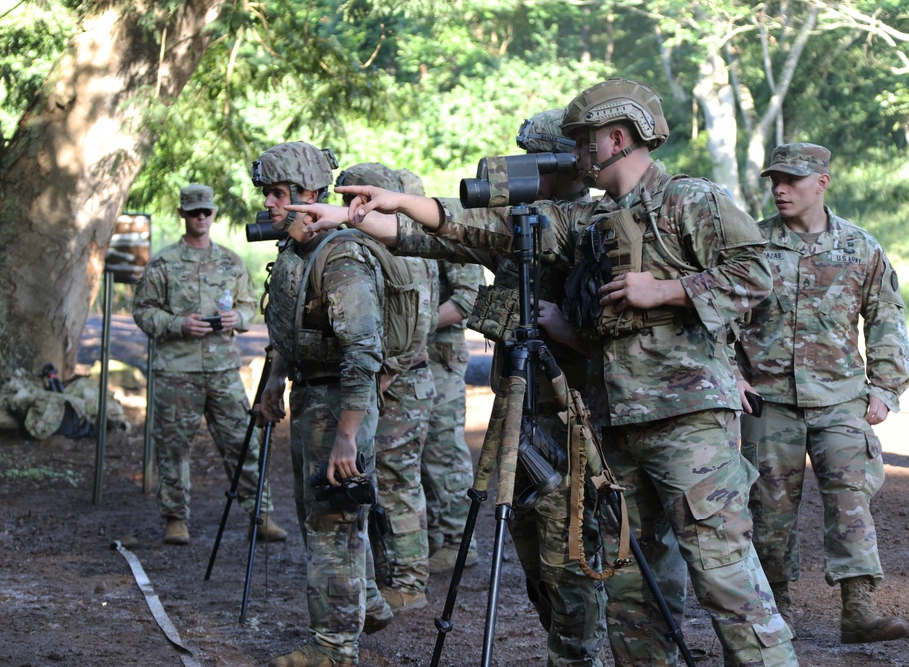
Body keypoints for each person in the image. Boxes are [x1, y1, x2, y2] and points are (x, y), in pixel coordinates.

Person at [292, 78, 798, 666]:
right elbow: (485, 231)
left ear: (617, 138)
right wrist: (396, 207)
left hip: (687, 422)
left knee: (724, 577)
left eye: (582, 144)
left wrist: (667, 288)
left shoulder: (691, 200)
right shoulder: (592, 222)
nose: (576, 158)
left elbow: (762, 271)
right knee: (631, 588)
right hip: (612, 425)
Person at [736, 143, 909, 644]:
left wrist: (885, 387)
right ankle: (776, 612)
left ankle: (859, 609)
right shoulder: (753, 245)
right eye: (774, 180)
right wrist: (733, 374)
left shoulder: (861, 247)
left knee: (852, 500)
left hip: (840, 399)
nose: (780, 189)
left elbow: (886, 319)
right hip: (768, 401)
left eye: (791, 179)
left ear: (822, 182)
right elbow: (720, 315)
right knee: (767, 509)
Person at [253, 143, 389, 667]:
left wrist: (347, 435)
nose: (269, 202)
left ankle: (334, 647)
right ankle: (367, 603)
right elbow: (288, 329)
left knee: (331, 522)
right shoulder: (295, 251)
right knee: (326, 513)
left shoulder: (340, 256)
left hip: (339, 401)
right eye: (266, 192)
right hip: (310, 394)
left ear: (310, 195)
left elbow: (363, 350)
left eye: (279, 193)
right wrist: (274, 382)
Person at [132, 183, 286, 546]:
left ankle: (260, 515)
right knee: (172, 448)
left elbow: (251, 305)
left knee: (243, 444)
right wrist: (177, 324)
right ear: (183, 214)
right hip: (176, 370)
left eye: (207, 212)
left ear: (213, 214)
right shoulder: (163, 263)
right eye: (194, 212)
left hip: (222, 370)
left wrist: (239, 318)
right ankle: (175, 520)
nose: (201, 218)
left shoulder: (230, 261)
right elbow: (143, 310)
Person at [333, 162, 436, 613]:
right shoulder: (367, 247)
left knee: (398, 483)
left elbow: (420, 323)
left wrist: (388, 370)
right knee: (380, 484)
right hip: (387, 382)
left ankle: (411, 582)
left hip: (403, 385)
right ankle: (392, 573)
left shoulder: (406, 252)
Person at [392, 168, 486, 575]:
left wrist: (417, 322)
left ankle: (457, 541)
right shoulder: (398, 240)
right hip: (409, 360)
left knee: (443, 453)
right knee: (413, 451)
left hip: (440, 360)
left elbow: (468, 300)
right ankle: (432, 536)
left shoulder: (447, 234)